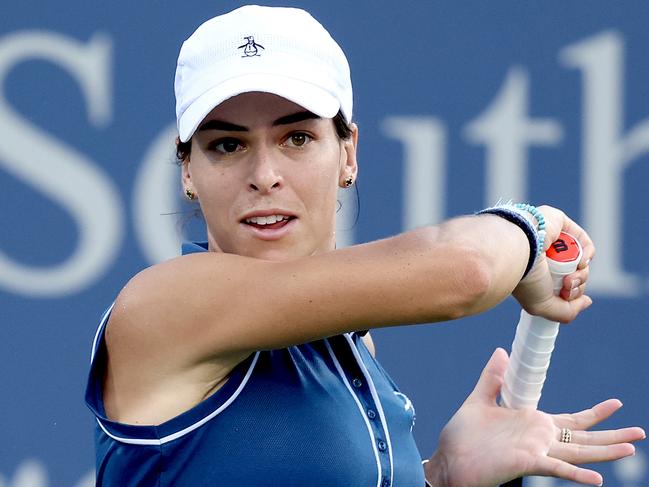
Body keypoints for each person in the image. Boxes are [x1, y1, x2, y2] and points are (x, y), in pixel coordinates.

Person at [85, 5, 644, 486]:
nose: (264, 174)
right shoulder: (164, 307)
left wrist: (441, 475)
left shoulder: (351, 342)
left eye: (297, 137)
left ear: (348, 153)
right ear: (188, 171)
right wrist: (533, 222)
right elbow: (468, 271)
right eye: (227, 145)